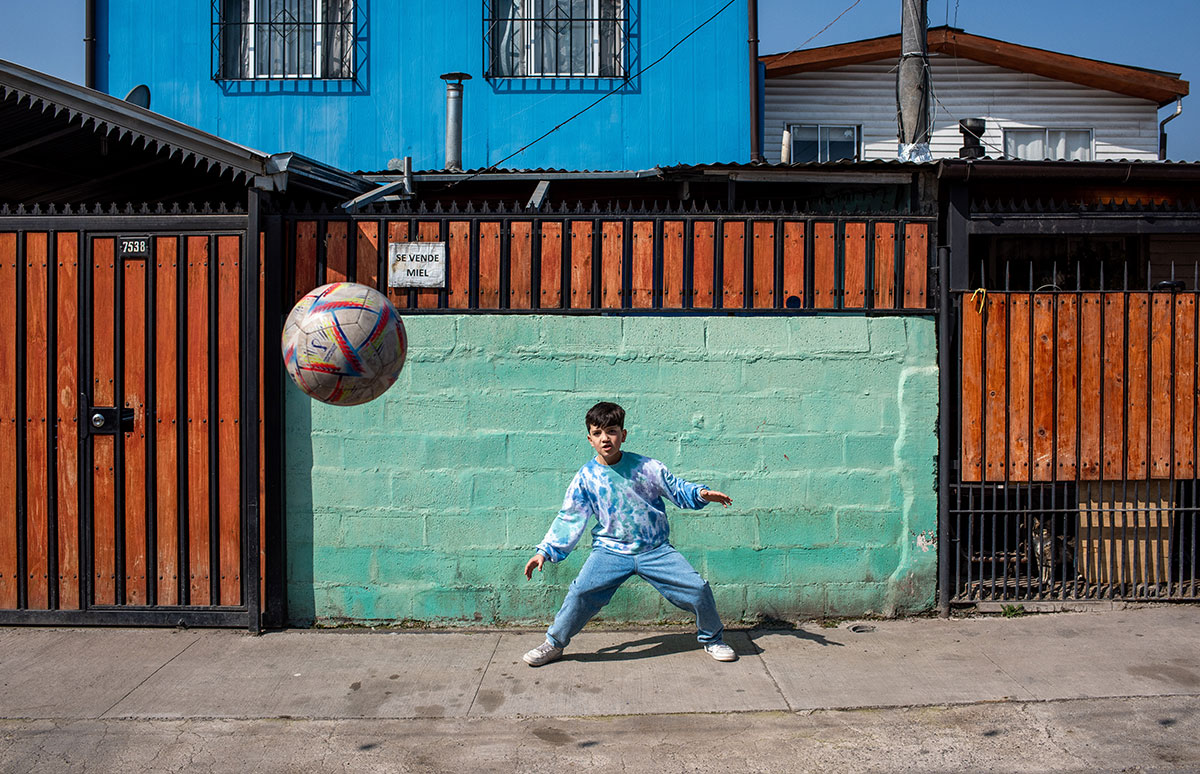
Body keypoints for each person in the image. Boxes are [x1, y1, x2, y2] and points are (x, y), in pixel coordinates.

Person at [521, 401, 735, 667]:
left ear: (623, 434)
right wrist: (546, 550)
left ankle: (713, 639)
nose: (605, 438)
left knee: (698, 589)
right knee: (579, 593)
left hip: (655, 550)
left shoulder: (648, 468)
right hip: (610, 552)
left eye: (611, 431)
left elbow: (677, 489)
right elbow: (570, 517)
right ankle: (553, 644)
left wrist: (701, 494)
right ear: (590, 439)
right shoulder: (587, 477)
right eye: (597, 433)